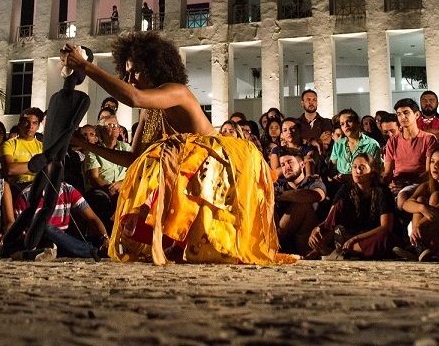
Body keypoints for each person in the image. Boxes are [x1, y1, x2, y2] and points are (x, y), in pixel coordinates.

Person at [61, 33, 286, 264]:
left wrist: (85, 66)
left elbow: (134, 97)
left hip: (218, 162)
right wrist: (88, 146)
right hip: (192, 166)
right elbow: (133, 158)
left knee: (174, 165)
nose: (130, 79)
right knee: (155, 165)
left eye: (135, 71)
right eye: (126, 73)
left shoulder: (177, 91)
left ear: (154, 67)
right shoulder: (150, 110)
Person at [307, 153, 395, 260]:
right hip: (348, 235)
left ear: (372, 171)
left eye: (362, 168)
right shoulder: (346, 189)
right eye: (354, 167)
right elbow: (330, 219)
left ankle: (342, 252)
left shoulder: (382, 192)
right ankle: (319, 250)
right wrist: (317, 228)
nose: (357, 171)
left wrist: (355, 239)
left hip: (369, 236)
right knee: (340, 204)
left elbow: (385, 227)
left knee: (385, 239)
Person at [382, 99, 438, 202]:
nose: (402, 117)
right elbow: (388, 172)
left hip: (420, 183)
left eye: (406, 113)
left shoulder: (428, 139)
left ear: (417, 115)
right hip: (398, 184)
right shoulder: (392, 141)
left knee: (404, 198)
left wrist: (408, 182)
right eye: (399, 114)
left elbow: (428, 171)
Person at [273, 148, 326, 254]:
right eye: (282, 165)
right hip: (285, 239)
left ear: (302, 165)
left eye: (290, 162)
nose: (286, 167)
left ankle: (271, 243)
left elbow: (316, 195)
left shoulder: (313, 183)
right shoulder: (278, 186)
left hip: (305, 237)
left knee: (303, 206)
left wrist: (279, 196)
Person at [84, 113, 130, 227]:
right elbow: (94, 177)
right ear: (101, 130)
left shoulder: (126, 148)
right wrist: (109, 189)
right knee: (101, 198)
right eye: (110, 125)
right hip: (102, 189)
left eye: (116, 125)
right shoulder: (94, 150)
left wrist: (122, 183)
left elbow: (134, 171)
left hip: (124, 186)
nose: (114, 128)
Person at [326, 109, 381, 186]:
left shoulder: (371, 144)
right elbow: (332, 169)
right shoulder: (338, 145)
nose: (346, 125)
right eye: (342, 124)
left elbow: (376, 171)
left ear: (358, 123)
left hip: (364, 184)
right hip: (341, 185)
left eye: (349, 121)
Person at [1, 108, 44, 186]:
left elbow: (47, 171)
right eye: (26, 122)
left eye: (34, 123)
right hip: (17, 187)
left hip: (37, 186)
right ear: (19, 124)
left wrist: (20, 168)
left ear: (38, 126)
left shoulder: (42, 146)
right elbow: (10, 169)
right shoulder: (9, 144)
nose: (30, 126)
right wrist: (36, 167)